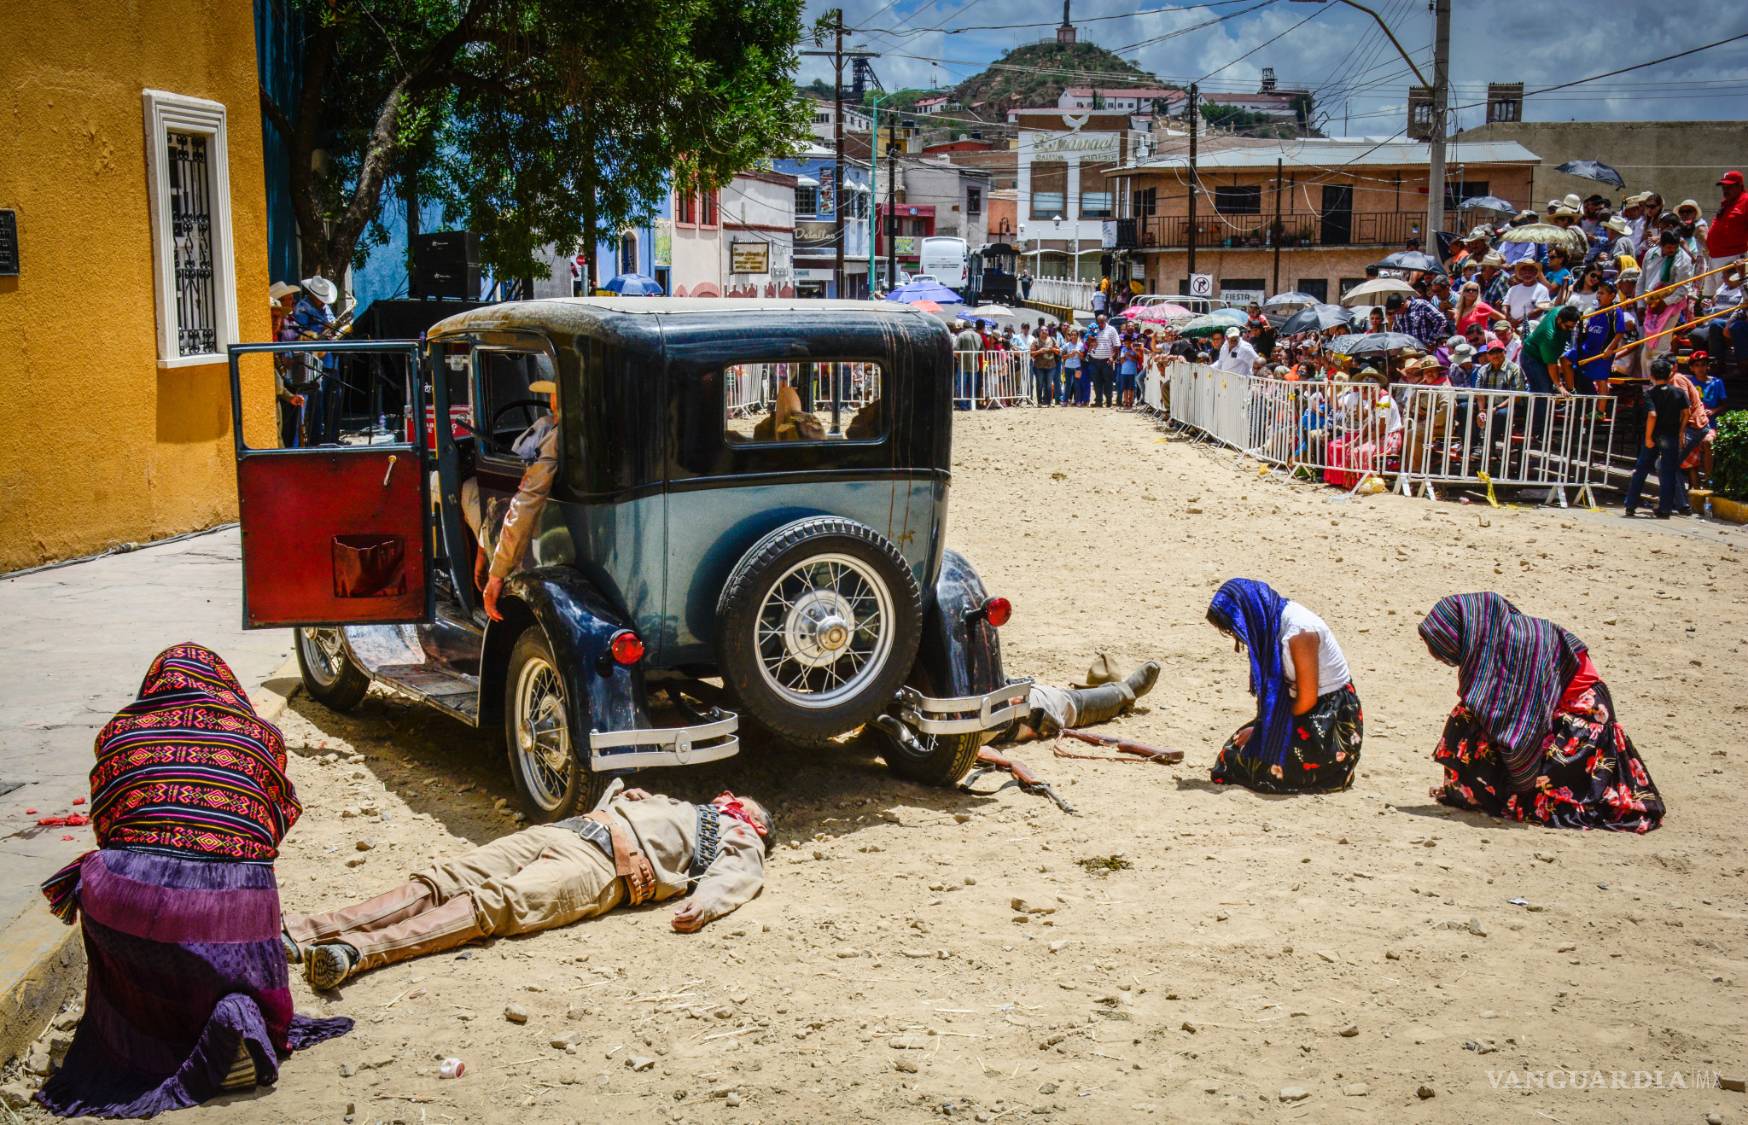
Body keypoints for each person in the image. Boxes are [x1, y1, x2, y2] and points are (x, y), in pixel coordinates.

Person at [35, 645, 351, 1117]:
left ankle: (148, 1040)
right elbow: (272, 827)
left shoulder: (119, 731)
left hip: (132, 900)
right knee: (244, 892)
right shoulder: (260, 735)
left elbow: (109, 830)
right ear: (226, 684)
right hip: (233, 906)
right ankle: (237, 1024)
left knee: (107, 880)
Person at [287, 787, 774, 989]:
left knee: (493, 905)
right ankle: (305, 931)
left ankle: (356, 951)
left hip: (606, 867)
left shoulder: (741, 834)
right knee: (444, 879)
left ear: (755, 820)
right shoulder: (685, 805)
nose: (730, 797)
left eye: (741, 801)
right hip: (568, 831)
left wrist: (705, 906)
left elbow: (738, 876)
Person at [1419, 594, 1664, 832]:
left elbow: (1524, 723)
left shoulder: (1519, 642)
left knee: (1476, 724)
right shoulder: (1498, 640)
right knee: (1468, 715)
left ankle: (1514, 791)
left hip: (1580, 725)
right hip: (1554, 716)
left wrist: (1521, 780)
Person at [1205, 579, 1361, 794]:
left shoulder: (1300, 633)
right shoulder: (1272, 622)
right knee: (1234, 751)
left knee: (1258, 767)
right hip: (1300, 711)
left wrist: (1262, 729)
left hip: (1327, 720)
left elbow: (1307, 700)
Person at [481, 377, 561, 620]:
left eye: (554, 395)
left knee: (471, 492)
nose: (550, 400)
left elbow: (528, 497)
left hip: (548, 534)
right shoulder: (550, 427)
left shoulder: (555, 436)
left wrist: (496, 574)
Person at [1623, 356, 1690, 518]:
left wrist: (1648, 437)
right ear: (1670, 374)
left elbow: (1652, 415)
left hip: (1654, 435)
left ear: (1652, 375)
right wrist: (1681, 432)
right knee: (1668, 472)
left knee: (1641, 469)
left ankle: (1630, 505)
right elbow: (1686, 413)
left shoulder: (1650, 393)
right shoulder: (1679, 393)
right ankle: (1665, 508)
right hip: (1671, 436)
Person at [281, 275, 343, 444]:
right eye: (321, 299)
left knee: (335, 399)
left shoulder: (326, 309)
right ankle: (316, 442)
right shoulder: (302, 309)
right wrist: (319, 335)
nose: (324, 302)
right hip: (314, 364)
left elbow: (331, 325)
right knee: (316, 404)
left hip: (330, 360)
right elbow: (299, 338)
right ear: (312, 294)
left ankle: (332, 440)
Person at [1638, 229, 1696, 362]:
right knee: (1647, 345)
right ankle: (1648, 380)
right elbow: (1642, 279)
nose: (1672, 250)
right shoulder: (1650, 254)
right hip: (1650, 302)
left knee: (1661, 345)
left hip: (1671, 305)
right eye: (1669, 247)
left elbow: (1683, 288)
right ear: (1661, 245)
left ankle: (1660, 379)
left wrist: (1665, 302)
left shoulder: (1684, 259)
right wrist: (1640, 304)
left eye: (1675, 247)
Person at [1560, 278, 1625, 395]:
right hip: (1586, 349)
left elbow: (1619, 332)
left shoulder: (1615, 311)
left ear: (1612, 296)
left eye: (1602, 293)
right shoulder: (1595, 311)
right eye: (1598, 293)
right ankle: (1571, 390)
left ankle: (1600, 412)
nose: (1598, 296)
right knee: (1565, 359)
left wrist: (1610, 348)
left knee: (1601, 380)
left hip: (1602, 352)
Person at [268, 281, 306, 447]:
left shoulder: (273, 342)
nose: (278, 321)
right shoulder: (265, 345)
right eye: (273, 317)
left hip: (277, 402)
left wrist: (289, 397)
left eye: (279, 317)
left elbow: (273, 378)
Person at [1520, 304, 1579, 394]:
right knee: (1543, 391)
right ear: (1559, 320)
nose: (1570, 330)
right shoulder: (1549, 336)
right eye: (1567, 327)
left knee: (1548, 389)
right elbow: (1552, 365)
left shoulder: (1560, 310)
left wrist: (1570, 388)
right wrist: (1560, 386)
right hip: (1532, 358)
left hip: (1545, 355)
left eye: (1573, 327)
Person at [1705, 170, 1748, 276]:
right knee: (1712, 293)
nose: (1725, 190)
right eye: (1723, 187)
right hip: (1715, 257)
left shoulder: (1746, 201)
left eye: (1729, 187)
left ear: (1740, 186)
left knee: (1731, 292)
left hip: (1733, 258)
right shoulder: (1727, 203)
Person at [1502, 260, 1550, 326]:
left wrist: (1519, 321)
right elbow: (1505, 306)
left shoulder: (1542, 289)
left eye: (1530, 270)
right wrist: (1508, 320)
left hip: (1531, 327)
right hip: (1512, 325)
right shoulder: (1512, 289)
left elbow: (1540, 309)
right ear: (1520, 273)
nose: (1527, 273)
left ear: (1535, 272)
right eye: (1524, 270)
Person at [1088, 313, 1120, 406]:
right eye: (1098, 322)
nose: (1100, 324)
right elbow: (1088, 342)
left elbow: (1117, 345)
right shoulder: (1093, 329)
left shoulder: (1111, 330)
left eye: (1102, 322)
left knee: (1108, 382)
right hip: (1094, 360)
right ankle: (1098, 401)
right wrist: (1090, 338)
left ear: (1105, 321)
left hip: (1107, 361)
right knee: (1096, 382)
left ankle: (1109, 401)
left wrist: (1112, 357)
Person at [1030, 325, 1060, 406]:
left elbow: (1058, 351)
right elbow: (1031, 354)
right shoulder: (1036, 341)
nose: (1044, 332)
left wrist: (1052, 349)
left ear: (1048, 331)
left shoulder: (1052, 339)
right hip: (1039, 367)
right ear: (1040, 332)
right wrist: (1039, 351)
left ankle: (1049, 402)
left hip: (1051, 366)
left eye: (1046, 330)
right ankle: (1039, 402)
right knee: (1039, 384)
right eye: (1042, 331)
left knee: (1049, 385)